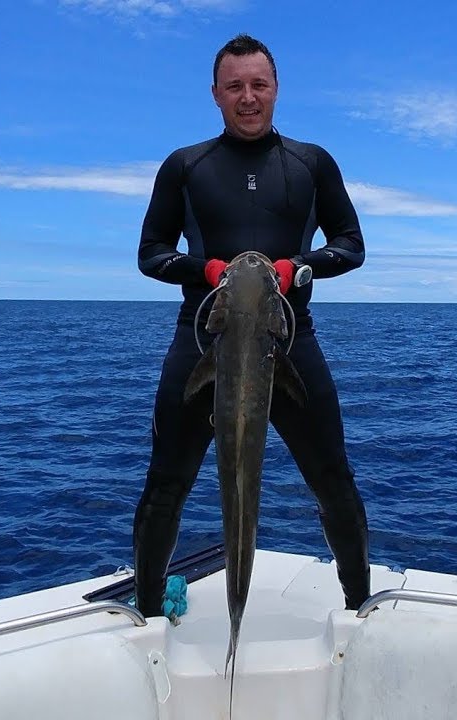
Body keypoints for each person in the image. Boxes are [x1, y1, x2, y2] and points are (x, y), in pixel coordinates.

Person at [133, 34, 370, 616]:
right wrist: (205, 268)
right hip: (201, 338)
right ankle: (144, 610)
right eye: (234, 86)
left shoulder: (312, 163)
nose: (247, 97)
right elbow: (150, 252)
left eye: (258, 85)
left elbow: (351, 245)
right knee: (166, 485)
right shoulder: (185, 166)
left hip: (290, 342)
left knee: (334, 481)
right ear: (215, 93)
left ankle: (360, 606)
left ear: (276, 90)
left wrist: (299, 268)